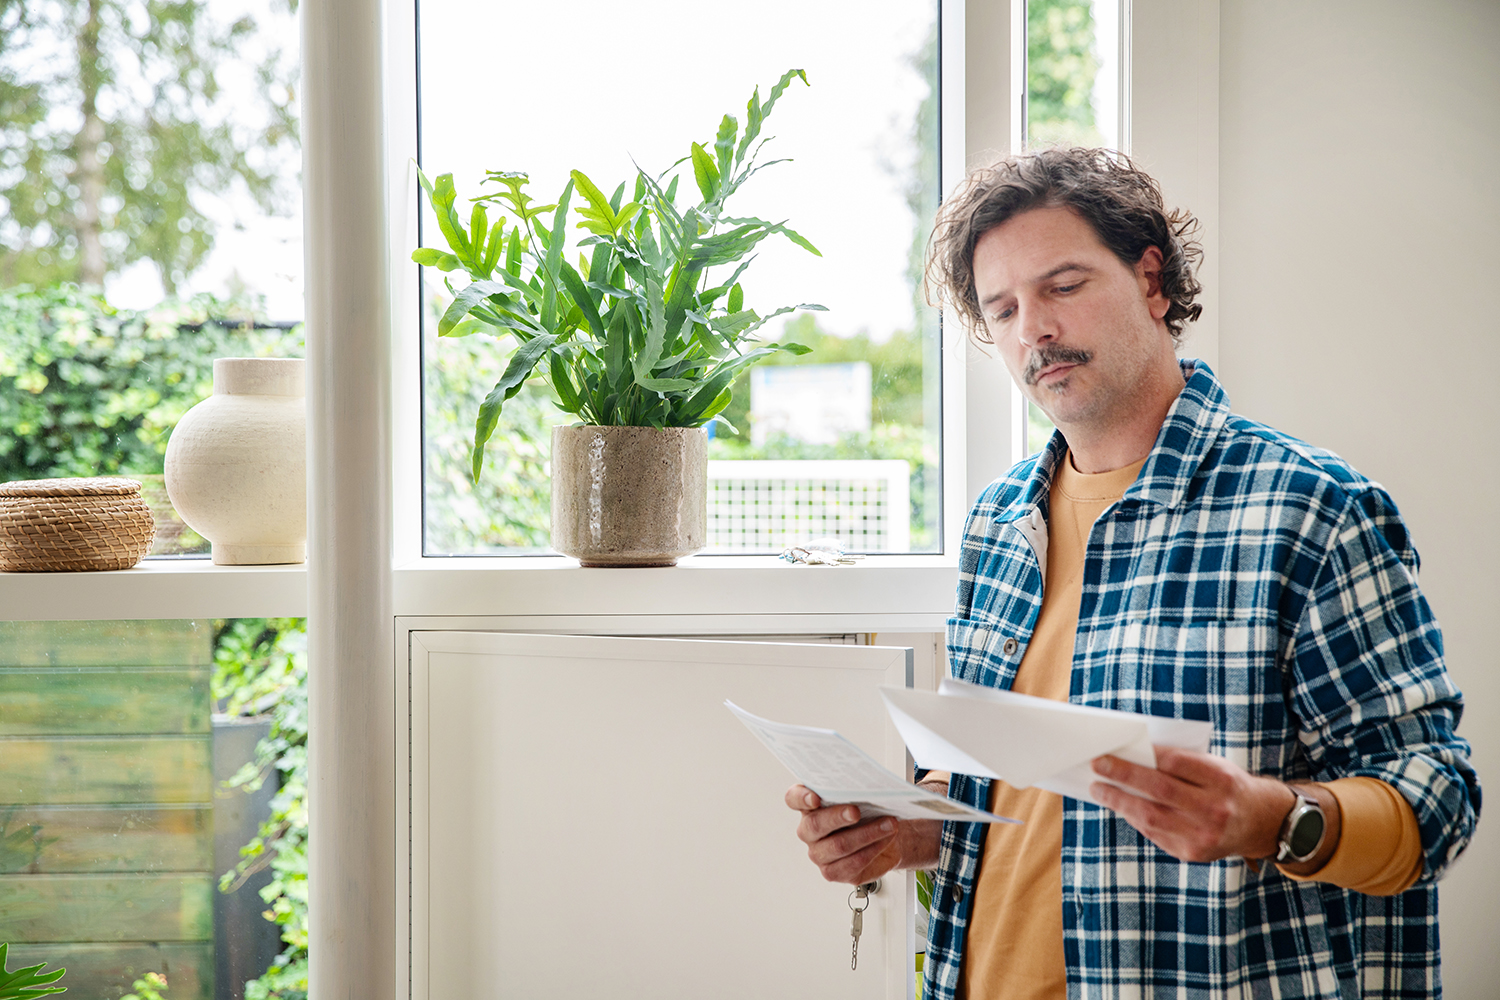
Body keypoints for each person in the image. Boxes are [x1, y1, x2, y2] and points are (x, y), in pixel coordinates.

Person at [785, 148, 1480, 1000]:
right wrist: (907, 827)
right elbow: (1006, 801)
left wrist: (1274, 819)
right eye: (1002, 309)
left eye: (1063, 285)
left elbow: (1437, 800)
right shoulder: (999, 523)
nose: (1032, 328)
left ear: (1153, 280)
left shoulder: (1314, 510)